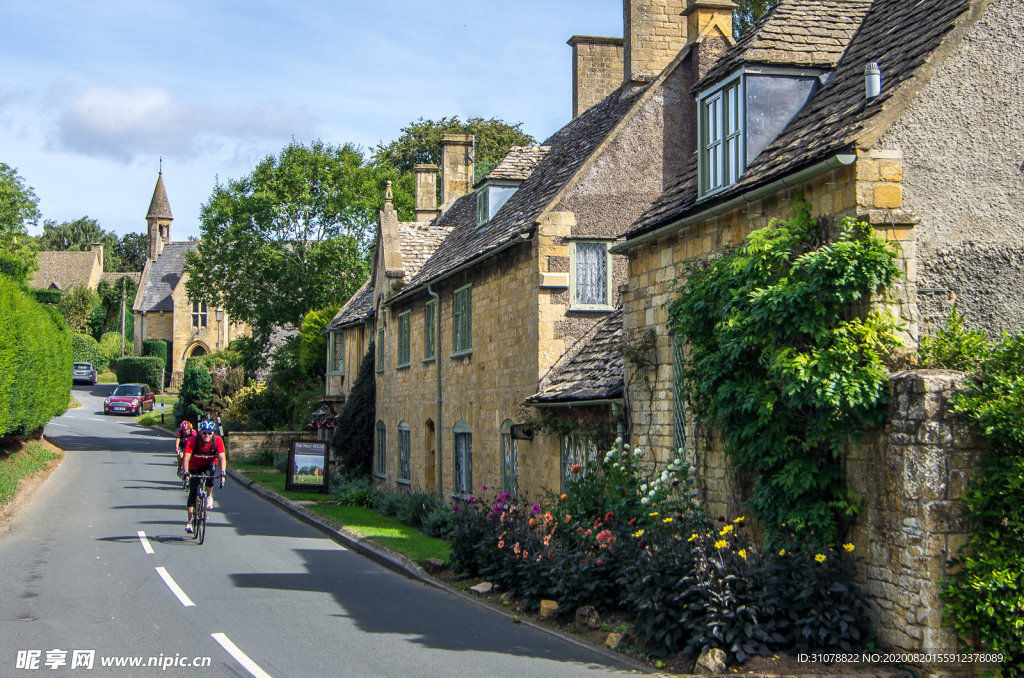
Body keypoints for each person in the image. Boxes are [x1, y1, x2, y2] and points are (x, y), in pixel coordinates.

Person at [182, 419, 227, 533]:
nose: (207, 435)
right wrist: (186, 472)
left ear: (213, 433)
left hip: (209, 464)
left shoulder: (217, 441)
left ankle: (209, 496)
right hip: (194, 466)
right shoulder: (192, 440)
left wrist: (223, 473)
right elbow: (186, 458)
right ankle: (190, 521)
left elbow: (222, 457)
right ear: (200, 432)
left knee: (210, 476)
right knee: (193, 492)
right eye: (204, 432)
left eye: (210, 433)